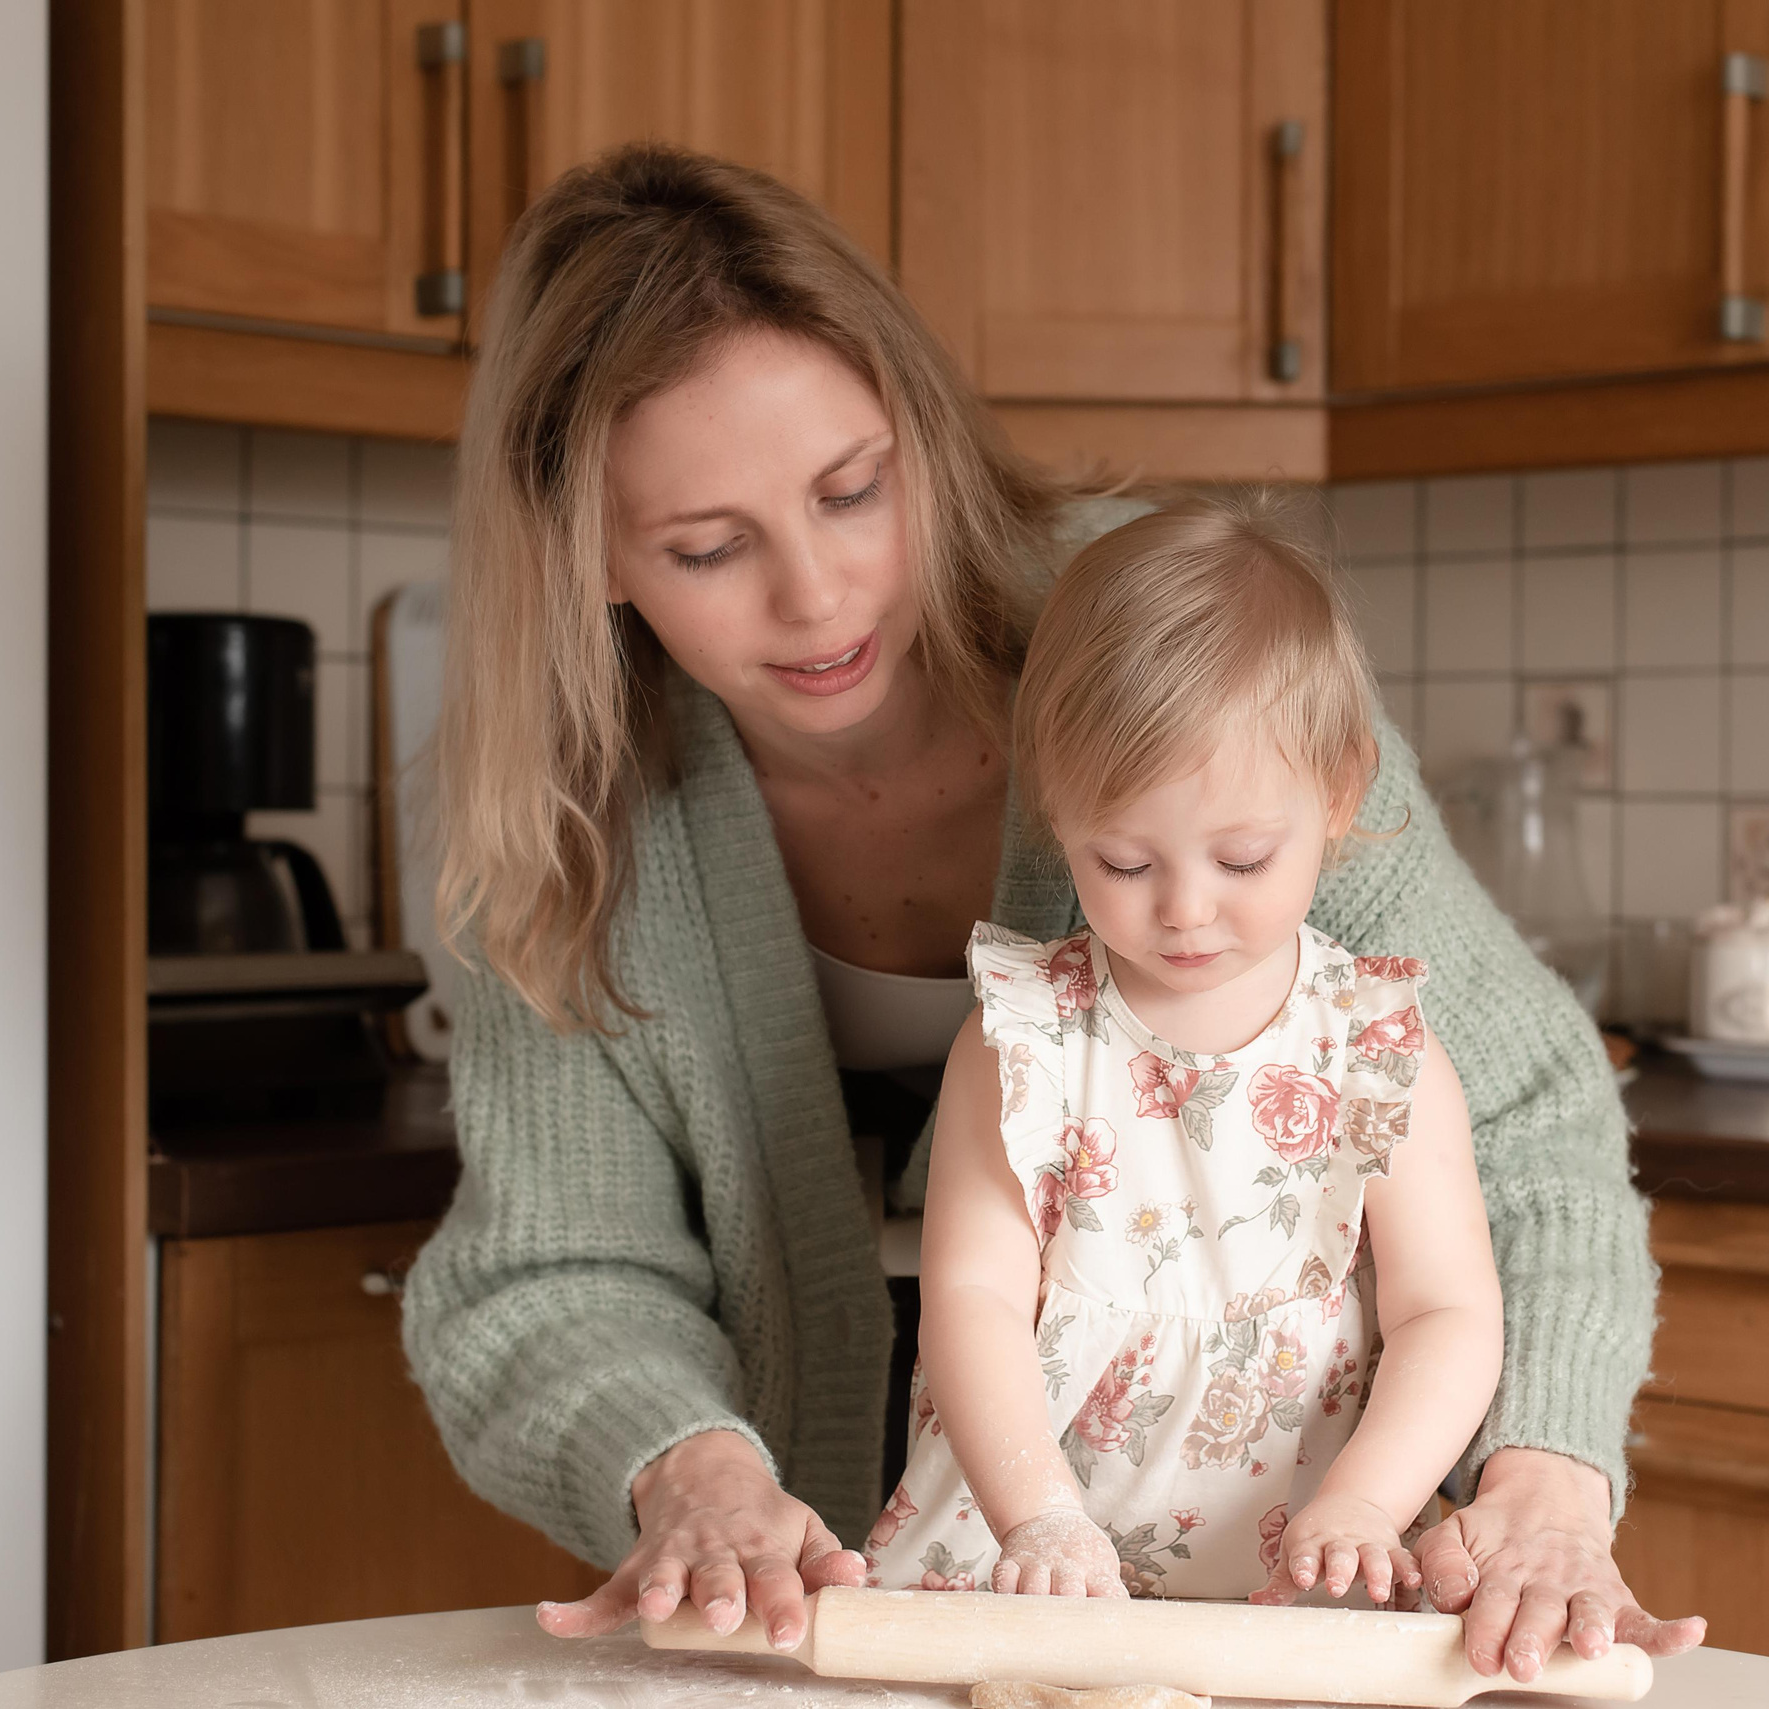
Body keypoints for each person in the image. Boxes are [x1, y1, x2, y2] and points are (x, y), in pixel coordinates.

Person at [402, 141, 1701, 1686]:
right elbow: (559, 1270)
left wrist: (1543, 1481)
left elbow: (1532, 1117)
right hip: (816, 1604)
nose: (816, 597)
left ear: (925, 445)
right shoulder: (565, 824)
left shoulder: (1169, 655)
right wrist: (689, 1469)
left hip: (1273, 1568)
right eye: (707, 548)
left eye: (852, 490)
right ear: (590, 557)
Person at [865, 495, 1504, 1606]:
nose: (1186, 910)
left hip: (1295, 1565)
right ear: (1057, 814)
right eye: (1123, 862)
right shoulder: (1023, 1039)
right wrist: (1040, 1516)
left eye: (1244, 858)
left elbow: (1445, 1313)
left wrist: (1366, 1502)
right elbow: (967, 1296)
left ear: (1340, 792)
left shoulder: (1375, 1048)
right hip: (1026, 1560)